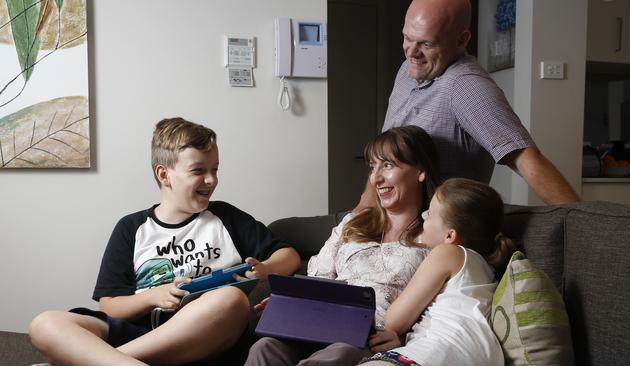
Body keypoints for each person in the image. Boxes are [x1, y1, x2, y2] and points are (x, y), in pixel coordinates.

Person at [28, 117, 301, 366]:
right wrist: (152, 296)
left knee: (231, 299)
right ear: (164, 175)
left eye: (215, 169)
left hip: (204, 336)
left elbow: (289, 256)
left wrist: (265, 270)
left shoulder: (226, 217)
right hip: (139, 330)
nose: (211, 179)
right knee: (45, 323)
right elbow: (111, 305)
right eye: (198, 171)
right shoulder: (131, 228)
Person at [244, 125, 441, 366]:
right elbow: (318, 277)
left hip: (368, 338)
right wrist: (289, 304)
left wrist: (404, 336)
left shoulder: (433, 236)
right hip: (320, 324)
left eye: (387, 166)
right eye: (372, 167)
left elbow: (442, 309)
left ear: (421, 171)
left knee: (340, 354)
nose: (376, 178)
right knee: (265, 348)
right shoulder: (354, 223)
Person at [356, 0, 578, 211]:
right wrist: (361, 211)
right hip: (391, 224)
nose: (412, 52)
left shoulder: (466, 86)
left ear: (461, 40)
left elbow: (525, 159)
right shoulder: (407, 70)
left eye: (426, 43)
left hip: (438, 232)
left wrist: (584, 222)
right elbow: (383, 156)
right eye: (407, 38)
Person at [360, 178, 515, 366]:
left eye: (430, 213)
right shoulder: (485, 268)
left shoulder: (447, 252)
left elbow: (394, 321)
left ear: (449, 236)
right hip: (481, 356)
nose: (423, 215)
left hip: (439, 352)